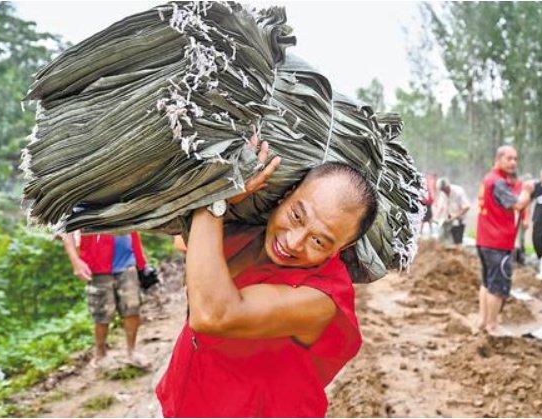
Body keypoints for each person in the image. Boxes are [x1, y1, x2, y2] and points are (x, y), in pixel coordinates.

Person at [156, 132, 379, 417]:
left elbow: (212, 314)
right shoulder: (247, 234)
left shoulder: (321, 299)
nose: (294, 242)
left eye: (318, 241)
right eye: (297, 216)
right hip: (189, 400)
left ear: (341, 248)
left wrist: (214, 198)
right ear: (285, 196)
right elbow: (184, 242)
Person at [62, 230, 150, 368]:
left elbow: (134, 228)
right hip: (98, 265)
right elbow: (66, 231)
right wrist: (75, 261)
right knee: (102, 314)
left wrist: (141, 261)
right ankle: (100, 354)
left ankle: (132, 351)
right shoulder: (77, 207)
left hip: (128, 263)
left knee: (132, 309)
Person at [476, 145, 534, 336]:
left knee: (487, 282)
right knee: (498, 286)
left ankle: (483, 321)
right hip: (497, 241)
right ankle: (493, 325)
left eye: (516, 159)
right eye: (509, 159)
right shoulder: (498, 183)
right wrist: (526, 191)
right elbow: (518, 204)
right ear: (498, 159)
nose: (513, 163)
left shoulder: (488, 179)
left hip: (485, 239)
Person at [433, 177, 470, 245]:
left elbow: (466, 207)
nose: (443, 191)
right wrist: (436, 217)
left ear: (447, 186)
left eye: (444, 189)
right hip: (447, 220)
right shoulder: (442, 194)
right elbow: (440, 207)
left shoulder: (458, 191)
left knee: (457, 243)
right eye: (442, 190)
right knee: (443, 241)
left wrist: (456, 215)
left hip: (458, 221)